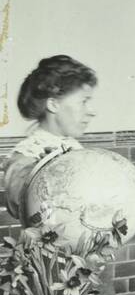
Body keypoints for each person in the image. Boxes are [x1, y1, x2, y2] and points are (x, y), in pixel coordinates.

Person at [3, 55, 98, 219]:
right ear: (53, 104)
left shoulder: (73, 146)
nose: (91, 111)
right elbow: (22, 207)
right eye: (83, 101)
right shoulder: (27, 155)